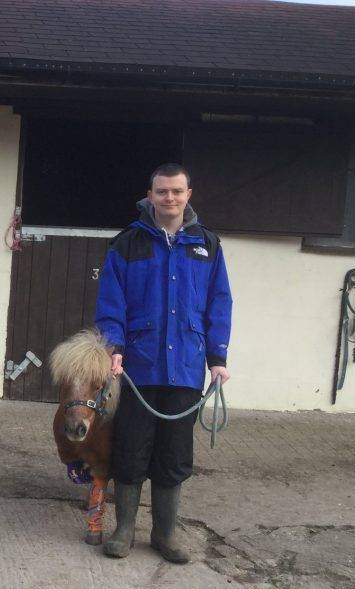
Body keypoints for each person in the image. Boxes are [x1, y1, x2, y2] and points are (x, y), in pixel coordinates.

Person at [94, 164, 232, 564]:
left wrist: (217, 358)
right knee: (132, 449)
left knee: (173, 454)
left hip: (186, 368)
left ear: (189, 194)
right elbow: (111, 301)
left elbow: (219, 303)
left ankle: (165, 534)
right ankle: (123, 530)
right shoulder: (128, 244)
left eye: (176, 191)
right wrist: (113, 346)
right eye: (162, 192)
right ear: (150, 195)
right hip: (137, 365)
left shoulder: (208, 245)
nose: (169, 199)